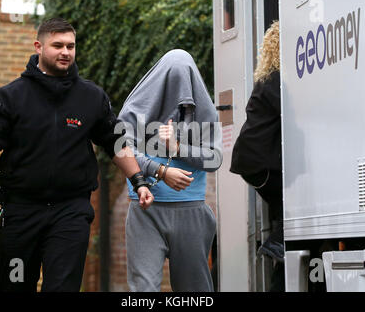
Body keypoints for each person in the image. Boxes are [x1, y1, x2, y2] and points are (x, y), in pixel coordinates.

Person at [0, 18, 153, 292]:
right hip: (20, 215)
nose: (65, 52)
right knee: (15, 286)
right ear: (38, 47)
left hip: (70, 213)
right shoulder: (10, 96)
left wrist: (138, 179)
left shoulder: (91, 97)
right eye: (57, 45)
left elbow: (116, 143)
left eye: (70, 46)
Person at [118, 49, 222, 292]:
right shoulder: (134, 111)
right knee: (143, 290)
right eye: (173, 83)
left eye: (188, 85)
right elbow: (122, 151)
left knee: (194, 291)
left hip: (191, 211)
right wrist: (160, 171)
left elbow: (214, 158)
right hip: (146, 210)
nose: (182, 97)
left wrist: (177, 147)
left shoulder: (204, 113)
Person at [229, 21, 284, 291]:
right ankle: (276, 241)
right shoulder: (275, 80)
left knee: (282, 205)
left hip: (256, 162)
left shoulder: (269, 78)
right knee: (289, 202)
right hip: (257, 162)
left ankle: (278, 242)